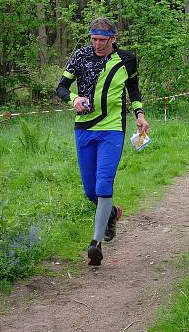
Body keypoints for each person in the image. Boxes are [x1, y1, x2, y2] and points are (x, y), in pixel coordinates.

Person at [55, 17, 150, 266]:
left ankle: (95, 244)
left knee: (104, 182)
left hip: (112, 129)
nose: (97, 44)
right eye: (94, 39)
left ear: (113, 39)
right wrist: (73, 99)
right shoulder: (80, 56)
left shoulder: (127, 60)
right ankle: (112, 213)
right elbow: (61, 88)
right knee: (90, 190)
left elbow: (134, 89)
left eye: (102, 40)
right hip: (84, 128)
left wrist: (139, 114)